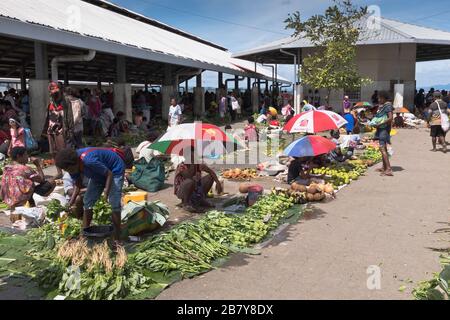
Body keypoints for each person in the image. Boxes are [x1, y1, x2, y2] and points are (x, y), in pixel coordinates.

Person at [55, 147, 126, 240]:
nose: (69, 172)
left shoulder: (89, 161)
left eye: (70, 169)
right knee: (88, 201)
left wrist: (105, 194)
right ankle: (85, 233)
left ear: (76, 163)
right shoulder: (72, 167)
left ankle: (117, 236)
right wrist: (70, 202)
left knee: (113, 203)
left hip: (114, 170)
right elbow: (78, 183)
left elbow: (109, 174)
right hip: (98, 173)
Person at [173, 147, 223, 213]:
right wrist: (193, 167)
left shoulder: (198, 164)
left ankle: (201, 199)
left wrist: (218, 183)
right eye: (190, 156)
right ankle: (185, 203)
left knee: (210, 177)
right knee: (190, 182)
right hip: (183, 191)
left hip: (196, 189)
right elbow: (189, 177)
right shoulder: (182, 166)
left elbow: (211, 172)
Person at [373, 91, 394, 176]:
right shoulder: (384, 106)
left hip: (384, 129)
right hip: (382, 129)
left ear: (384, 98)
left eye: (379, 98)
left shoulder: (388, 105)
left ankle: (388, 169)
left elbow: (390, 118)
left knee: (382, 148)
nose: (378, 99)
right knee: (383, 148)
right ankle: (384, 167)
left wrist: (379, 124)